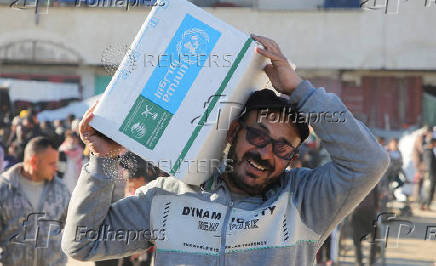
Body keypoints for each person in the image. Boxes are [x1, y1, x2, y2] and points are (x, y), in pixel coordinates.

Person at [61, 34, 389, 265]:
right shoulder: (170, 196)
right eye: (258, 136)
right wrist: (104, 161)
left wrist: (298, 91)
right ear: (234, 131)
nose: (264, 154)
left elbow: (369, 161)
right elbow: (83, 243)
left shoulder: (306, 201)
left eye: (282, 148)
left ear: (293, 157)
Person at [0, 137, 71, 265]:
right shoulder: (4, 189)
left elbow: (68, 226)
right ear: (34, 161)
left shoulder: (61, 190)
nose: (56, 168)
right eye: (51, 163)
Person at [421, 137, 436, 211]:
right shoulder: (428, 151)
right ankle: (426, 204)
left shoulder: (428, 151)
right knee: (429, 190)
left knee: (428, 190)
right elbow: (429, 164)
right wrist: (430, 175)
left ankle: (425, 204)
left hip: (430, 173)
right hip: (430, 174)